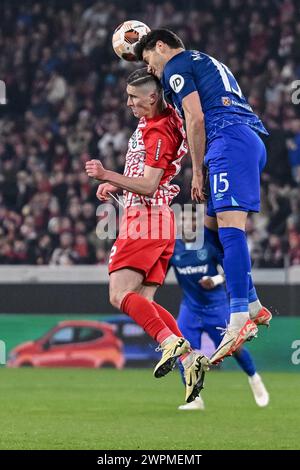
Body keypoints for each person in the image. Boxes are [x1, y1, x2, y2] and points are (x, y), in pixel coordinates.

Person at [135, 30, 272, 364]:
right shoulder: (206, 60)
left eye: (149, 60)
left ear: (161, 47)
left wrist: (197, 171)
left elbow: (195, 116)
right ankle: (252, 303)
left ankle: (238, 316)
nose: (151, 69)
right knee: (210, 234)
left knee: (230, 228)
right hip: (245, 139)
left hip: (227, 140)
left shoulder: (175, 66)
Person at [85, 68, 209, 403]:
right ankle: (189, 358)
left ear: (153, 97)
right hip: (159, 221)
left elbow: (150, 184)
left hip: (146, 220)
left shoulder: (159, 131)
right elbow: (143, 172)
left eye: (134, 97)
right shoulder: (156, 118)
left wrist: (105, 174)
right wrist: (118, 184)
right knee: (146, 302)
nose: (128, 103)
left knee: (118, 294)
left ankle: (171, 344)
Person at [168, 207, 269, 410]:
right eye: (183, 220)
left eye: (190, 220)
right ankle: (195, 398)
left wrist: (214, 280)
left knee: (236, 347)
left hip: (216, 306)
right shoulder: (174, 248)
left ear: (196, 223)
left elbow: (230, 271)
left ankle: (254, 378)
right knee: (182, 349)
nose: (186, 224)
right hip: (190, 307)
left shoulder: (208, 243)